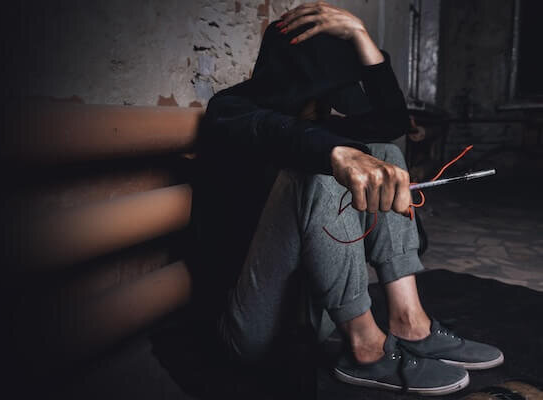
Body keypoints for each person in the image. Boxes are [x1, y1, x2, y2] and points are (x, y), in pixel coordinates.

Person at [194, 2, 503, 395]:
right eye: (316, 93)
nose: (325, 104)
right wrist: (336, 154)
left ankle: (411, 323)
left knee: (383, 154)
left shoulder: (321, 122)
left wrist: (360, 35)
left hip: (315, 320)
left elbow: (391, 123)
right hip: (247, 324)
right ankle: (366, 349)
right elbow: (282, 133)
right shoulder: (231, 109)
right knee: (317, 165)